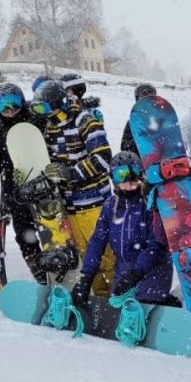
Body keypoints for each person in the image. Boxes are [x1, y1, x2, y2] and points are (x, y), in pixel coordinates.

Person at [30, 80, 116, 296]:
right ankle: (103, 301)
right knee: (88, 260)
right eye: (39, 109)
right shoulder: (49, 128)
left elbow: (103, 159)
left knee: (108, 256)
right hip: (70, 207)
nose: (44, 114)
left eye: (45, 108)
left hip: (95, 203)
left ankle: (122, 296)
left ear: (58, 103)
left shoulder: (84, 120)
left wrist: (70, 173)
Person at [71, 151, 174, 306]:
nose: (130, 179)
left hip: (152, 271)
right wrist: (87, 276)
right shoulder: (111, 206)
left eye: (135, 172)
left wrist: (136, 273)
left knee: (138, 307)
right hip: (124, 271)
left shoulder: (150, 204)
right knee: (119, 306)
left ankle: (161, 304)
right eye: (122, 175)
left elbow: (157, 244)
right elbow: (98, 240)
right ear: (114, 179)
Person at [0, 82, 47, 283]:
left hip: (41, 184)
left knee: (49, 227)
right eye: (3, 106)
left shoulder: (37, 120)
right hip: (14, 191)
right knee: (25, 234)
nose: (9, 111)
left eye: (14, 104)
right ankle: (39, 272)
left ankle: (58, 264)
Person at [120, 83, 157, 155]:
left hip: (161, 161)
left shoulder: (162, 120)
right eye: (143, 98)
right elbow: (124, 147)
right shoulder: (132, 123)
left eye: (150, 98)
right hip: (140, 161)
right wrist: (141, 140)